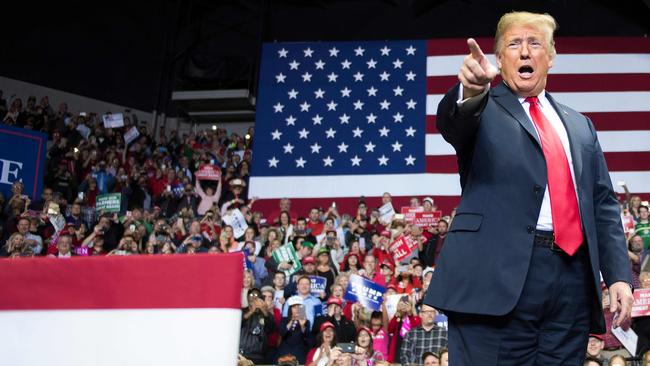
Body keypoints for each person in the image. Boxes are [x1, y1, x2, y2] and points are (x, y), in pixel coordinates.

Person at [424, 11, 634, 365]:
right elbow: (453, 121)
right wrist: (471, 91)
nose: (524, 52)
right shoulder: (482, 108)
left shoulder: (580, 125)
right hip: (495, 283)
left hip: (570, 283)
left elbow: (602, 203)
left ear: (550, 56)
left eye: (534, 43)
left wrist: (618, 276)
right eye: (514, 43)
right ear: (499, 58)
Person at [278, 295, 313, 364]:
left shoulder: (306, 321)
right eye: (294, 307)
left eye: (299, 307)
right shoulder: (284, 320)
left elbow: (308, 338)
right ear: (290, 309)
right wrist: (291, 321)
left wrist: (302, 326)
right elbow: (282, 333)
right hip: (284, 352)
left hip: (299, 353)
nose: (297, 309)